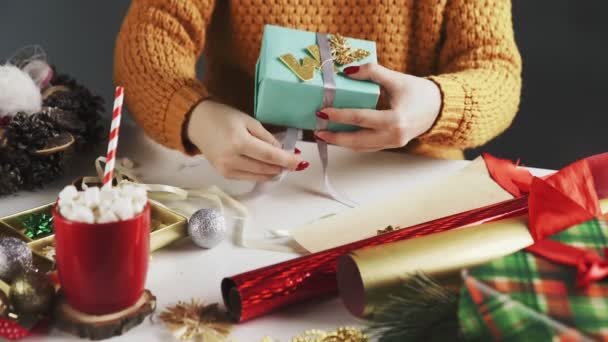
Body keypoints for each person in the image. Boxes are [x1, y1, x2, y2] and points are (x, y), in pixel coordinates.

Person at [114, 0, 521, 182]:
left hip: (408, 179)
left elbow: (494, 69)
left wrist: (434, 105)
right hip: (241, 173)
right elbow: (150, 40)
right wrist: (197, 117)